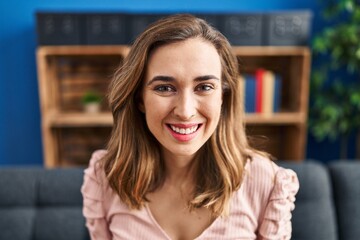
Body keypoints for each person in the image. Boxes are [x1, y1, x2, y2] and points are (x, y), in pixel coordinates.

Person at [81, 14, 299, 240]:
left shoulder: (267, 182)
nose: (185, 111)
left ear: (222, 97)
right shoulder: (105, 176)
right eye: (165, 88)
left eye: (204, 87)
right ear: (139, 99)